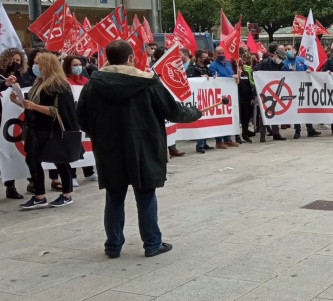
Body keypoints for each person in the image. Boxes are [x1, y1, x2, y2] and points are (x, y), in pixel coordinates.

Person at [76, 40, 202, 258]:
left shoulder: (93, 85)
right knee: (145, 194)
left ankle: (113, 245)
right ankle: (152, 243)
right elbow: (173, 111)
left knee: (114, 195)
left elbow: (81, 118)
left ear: (108, 58)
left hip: (108, 148)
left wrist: (98, 133)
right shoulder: (148, 83)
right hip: (144, 146)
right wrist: (196, 112)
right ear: (131, 58)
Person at [12, 53, 79, 210]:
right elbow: (33, 106)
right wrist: (19, 102)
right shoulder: (39, 82)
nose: (34, 66)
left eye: (38, 63)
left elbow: (59, 111)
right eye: (34, 62)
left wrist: (33, 106)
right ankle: (39, 196)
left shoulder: (59, 85)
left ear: (47, 65)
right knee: (33, 160)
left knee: (60, 161)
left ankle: (67, 194)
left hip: (53, 130)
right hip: (37, 129)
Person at [61, 55, 98, 183]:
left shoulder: (85, 80)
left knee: (86, 144)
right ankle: (72, 175)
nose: (77, 67)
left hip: (84, 117)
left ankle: (89, 172)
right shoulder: (64, 81)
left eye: (79, 65)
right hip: (71, 118)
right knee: (73, 145)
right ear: (67, 67)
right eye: (74, 65)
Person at [0, 48, 26, 199]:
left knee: (9, 150)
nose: (15, 63)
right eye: (13, 60)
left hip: (10, 120)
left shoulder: (20, 76)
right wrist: (5, 83)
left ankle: (10, 186)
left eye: (18, 61)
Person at [282, 44, 321, 139]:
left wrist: (307, 70)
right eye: (286, 49)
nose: (288, 51)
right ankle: (297, 130)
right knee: (296, 110)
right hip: (292, 90)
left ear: (294, 50)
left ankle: (310, 129)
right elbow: (282, 76)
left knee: (307, 108)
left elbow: (307, 69)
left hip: (304, 88)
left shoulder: (301, 60)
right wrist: (291, 73)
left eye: (289, 49)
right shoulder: (284, 63)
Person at [208, 46, 239, 149]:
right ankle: (219, 141)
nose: (221, 55)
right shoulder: (213, 66)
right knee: (219, 117)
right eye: (219, 53)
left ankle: (228, 139)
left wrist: (236, 78)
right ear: (215, 54)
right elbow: (216, 79)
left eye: (222, 53)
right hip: (219, 95)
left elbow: (230, 75)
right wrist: (231, 77)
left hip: (229, 93)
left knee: (228, 116)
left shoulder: (228, 63)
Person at [255, 47, 287, 141]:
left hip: (274, 90)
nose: (280, 60)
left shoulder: (280, 64)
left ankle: (276, 133)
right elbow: (257, 75)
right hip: (264, 91)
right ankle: (262, 135)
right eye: (279, 57)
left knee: (275, 112)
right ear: (275, 54)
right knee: (263, 114)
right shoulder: (264, 63)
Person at [186, 50, 214, 153]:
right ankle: (199, 144)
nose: (207, 59)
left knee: (206, 121)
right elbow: (188, 80)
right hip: (197, 99)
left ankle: (204, 142)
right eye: (204, 57)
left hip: (206, 98)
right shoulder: (192, 69)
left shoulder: (207, 69)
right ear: (198, 58)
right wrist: (199, 78)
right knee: (200, 121)